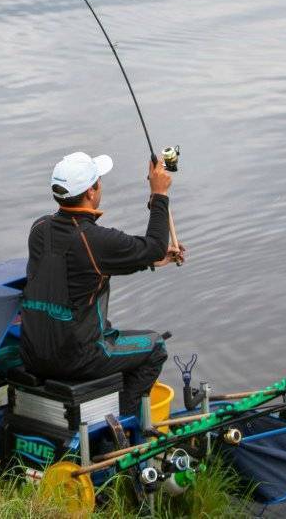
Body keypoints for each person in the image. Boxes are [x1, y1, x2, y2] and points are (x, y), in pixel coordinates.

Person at [20, 151, 184, 415]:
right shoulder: (94, 240)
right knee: (155, 347)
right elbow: (153, 246)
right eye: (99, 181)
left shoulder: (39, 229)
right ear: (91, 192)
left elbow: (81, 269)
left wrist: (152, 261)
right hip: (77, 357)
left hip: (34, 355)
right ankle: (120, 434)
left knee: (110, 331)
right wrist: (159, 194)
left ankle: (105, 414)